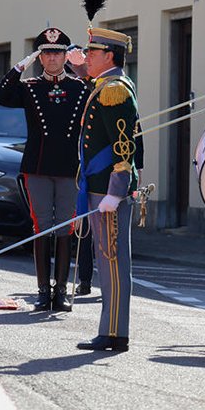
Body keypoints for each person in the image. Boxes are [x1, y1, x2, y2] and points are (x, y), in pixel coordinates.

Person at [0, 28, 89, 312]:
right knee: (41, 226)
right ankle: (42, 291)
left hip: (69, 167)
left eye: (57, 53)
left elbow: (101, 93)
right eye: (46, 53)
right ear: (39, 57)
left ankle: (60, 291)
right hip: (38, 166)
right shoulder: (30, 86)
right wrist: (20, 66)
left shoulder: (80, 87)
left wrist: (81, 65)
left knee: (64, 226)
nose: (52, 58)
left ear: (64, 56)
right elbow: (0, 96)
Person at [72, 27, 140, 352]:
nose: (87, 59)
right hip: (98, 187)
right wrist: (76, 68)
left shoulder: (115, 90)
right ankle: (112, 331)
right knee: (107, 260)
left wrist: (116, 191)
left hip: (107, 190)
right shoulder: (105, 85)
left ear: (108, 56)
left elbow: (124, 146)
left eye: (91, 54)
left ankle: (114, 333)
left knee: (112, 261)